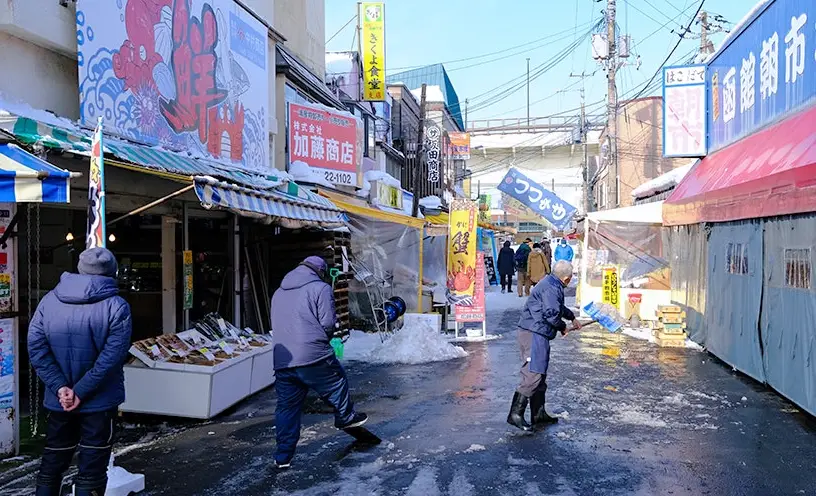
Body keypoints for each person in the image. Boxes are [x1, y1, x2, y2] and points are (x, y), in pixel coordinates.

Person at [28, 247, 132, 496]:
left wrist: (61, 388)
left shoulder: (49, 300)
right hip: (99, 402)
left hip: (59, 401)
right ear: (112, 272)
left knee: (52, 462)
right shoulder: (117, 306)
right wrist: (80, 391)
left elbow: (36, 347)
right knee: (92, 468)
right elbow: (112, 359)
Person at [270, 256, 367, 469]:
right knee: (337, 381)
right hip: (312, 354)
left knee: (287, 408)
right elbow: (327, 323)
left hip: (284, 361)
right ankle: (345, 416)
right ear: (320, 271)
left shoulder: (278, 292)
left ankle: (283, 457)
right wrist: (324, 338)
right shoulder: (320, 288)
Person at [507, 260, 581, 431]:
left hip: (539, 332)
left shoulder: (551, 283)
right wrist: (562, 327)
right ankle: (515, 414)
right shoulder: (551, 287)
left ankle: (538, 414)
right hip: (533, 332)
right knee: (533, 373)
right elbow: (550, 314)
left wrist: (571, 317)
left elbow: (557, 307)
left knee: (540, 375)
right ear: (567, 278)